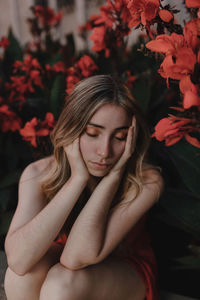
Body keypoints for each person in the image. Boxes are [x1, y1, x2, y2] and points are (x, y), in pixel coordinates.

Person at [4, 74, 163, 300]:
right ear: (72, 129)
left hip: (124, 269)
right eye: (92, 134)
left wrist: (114, 176)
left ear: (132, 139)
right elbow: (19, 261)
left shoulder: (147, 180)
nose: (105, 152)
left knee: (61, 285)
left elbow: (76, 257)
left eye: (119, 137)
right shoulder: (38, 174)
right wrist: (77, 179)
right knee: (20, 277)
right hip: (63, 263)